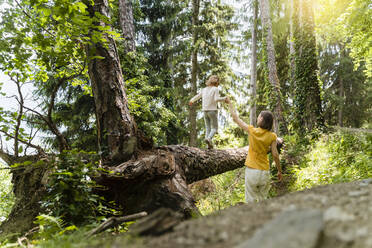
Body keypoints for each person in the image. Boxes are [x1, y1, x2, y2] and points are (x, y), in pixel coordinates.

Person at [225, 96, 282, 203]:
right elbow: (275, 154)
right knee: (263, 200)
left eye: (259, 116)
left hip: (252, 171)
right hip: (264, 172)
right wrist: (279, 170)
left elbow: (236, 118)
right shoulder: (272, 136)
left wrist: (230, 104)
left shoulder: (252, 131)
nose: (257, 118)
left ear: (261, 119)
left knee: (250, 201)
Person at [189, 75, 226, 149]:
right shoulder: (215, 89)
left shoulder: (204, 89)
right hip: (212, 111)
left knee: (208, 128)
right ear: (217, 83)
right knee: (215, 128)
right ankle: (209, 139)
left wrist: (191, 100)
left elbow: (198, 96)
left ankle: (207, 145)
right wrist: (225, 98)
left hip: (205, 111)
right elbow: (216, 99)